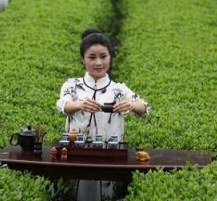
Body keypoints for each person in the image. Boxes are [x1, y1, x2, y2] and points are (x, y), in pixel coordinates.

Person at [56, 29, 149, 200]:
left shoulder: (119, 89)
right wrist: (80, 104)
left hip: (110, 155)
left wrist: (131, 105)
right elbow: (63, 105)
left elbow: (144, 107)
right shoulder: (72, 85)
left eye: (103, 56)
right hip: (76, 154)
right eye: (92, 57)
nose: (98, 62)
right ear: (82, 59)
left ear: (110, 57)